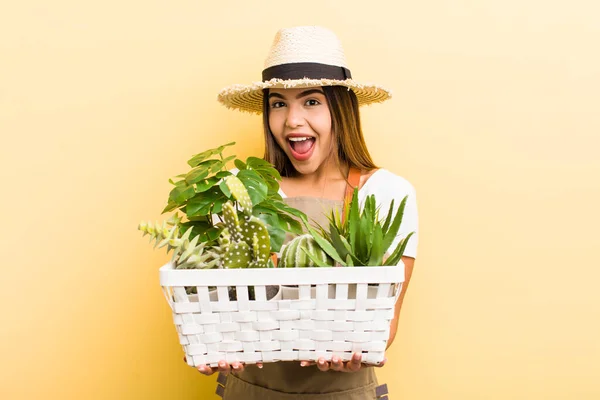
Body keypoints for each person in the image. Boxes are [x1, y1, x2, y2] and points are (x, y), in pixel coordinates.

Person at [197, 25, 419, 399]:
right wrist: (215, 343)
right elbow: (218, 299)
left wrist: (355, 349)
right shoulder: (239, 188)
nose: (292, 121)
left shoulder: (386, 192)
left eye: (311, 101)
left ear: (341, 109)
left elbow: (386, 323)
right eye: (278, 103)